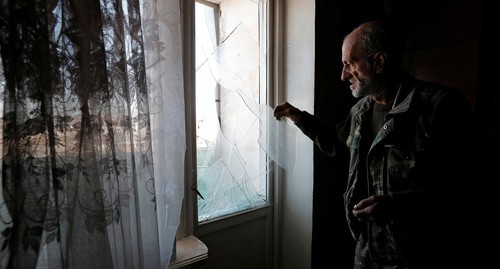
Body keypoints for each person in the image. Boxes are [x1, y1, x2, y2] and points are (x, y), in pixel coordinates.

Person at [274, 20, 479, 268]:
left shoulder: (442, 107)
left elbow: (465, 190)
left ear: (379, 62)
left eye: (350, 63)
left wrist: (397, 207)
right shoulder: (361, 110)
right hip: (367, 255)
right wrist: (298, 117)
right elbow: (336, 142)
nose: (342, 75)